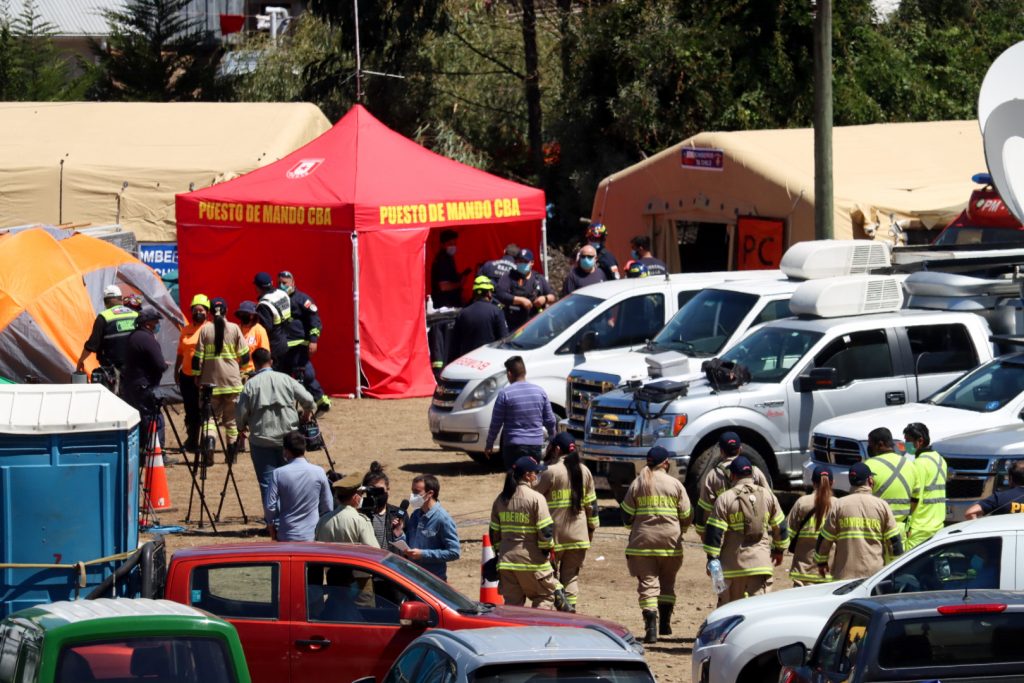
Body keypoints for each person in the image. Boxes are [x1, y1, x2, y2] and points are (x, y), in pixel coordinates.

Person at [621, 446, 692, 643]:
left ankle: (650, 628)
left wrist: (633, 528)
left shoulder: (638, 483)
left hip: (642, 543)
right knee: (668, 582)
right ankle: (665, 625)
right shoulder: (675, 484)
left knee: (648, 584)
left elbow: (626, 514)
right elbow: (686, 514)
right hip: (670, 542)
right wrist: (681, 530)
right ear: (666, 463)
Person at [236, 348, 316, 508]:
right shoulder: (286, 379)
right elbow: (309, 399)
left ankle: (273, 523)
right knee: (292, 480)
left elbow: (240, 412)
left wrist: (241, 427)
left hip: (261, 440)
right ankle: (291, 517)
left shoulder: (250, 385)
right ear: (271, 361)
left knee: (267, 483)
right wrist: (307, 413)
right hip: (288, 439)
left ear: (255, 364)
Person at [703, 456, 787, 606]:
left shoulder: (725, 499)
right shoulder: (768, 496)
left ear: (733, 475)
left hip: (732, 567)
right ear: (752, 475)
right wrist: (779, 550)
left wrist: (712, 560)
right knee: (757, 613)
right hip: (760, 565)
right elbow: (780, 527)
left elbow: (714, 533)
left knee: (730, 612)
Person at [534, 433, 599, 612]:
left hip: (555, 537)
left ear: (556, 449)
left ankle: (561, 602)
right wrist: (591, 530)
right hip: (579, 536)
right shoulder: (584, 471)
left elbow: (533, 497)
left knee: (549, 574)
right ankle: (571, 612)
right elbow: (592, 505)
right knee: (571, 577)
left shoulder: (550, 472)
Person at [814, 462, 903, 580]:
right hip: (874, 577)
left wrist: (821, 562)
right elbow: (894, 541)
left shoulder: (839, 505)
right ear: (870, 480)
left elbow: (824, 539)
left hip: (844, 576)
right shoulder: (882, 506)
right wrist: (896, 567)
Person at [490, 456, 558, 608]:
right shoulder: (536, 498)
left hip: (507, 564)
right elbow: (545, 531)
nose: (537, 476)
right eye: (535, 473)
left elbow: (494, 532)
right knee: (544, 598)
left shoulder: (501, 499)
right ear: (527, 475)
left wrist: (500, 551)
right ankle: (537, 632)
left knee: (513, 608)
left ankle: (513, 632)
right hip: (532, 563)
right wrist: (546, 552)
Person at [192, 297, 249, 465]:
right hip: (232, 382)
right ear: (226, 310)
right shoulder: (235, 328)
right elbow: (245, 357)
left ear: (209, 312)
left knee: (210, 419)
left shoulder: (204, 330)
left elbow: (197, 359)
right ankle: (231, 454)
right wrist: (238, 368)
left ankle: (209, 447)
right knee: (231, 420)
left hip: (210, 383)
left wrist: (197, 376)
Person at [695, 432, 771, 539]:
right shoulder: (755, 472)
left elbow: (704, 507)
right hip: (755, 533)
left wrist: (702, 532)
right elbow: (770, 499)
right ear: (740, 449)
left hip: (727, 536)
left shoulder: (713, 475)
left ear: (721, 451)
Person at [485, 356, 557, 468]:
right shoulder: (540, 392)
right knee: (532, 480)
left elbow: (496, 423)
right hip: (535, 446)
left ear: (509, 374)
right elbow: (550, 420)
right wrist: (553, 438)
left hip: (513, 447)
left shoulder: (505, 394)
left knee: (514, 480)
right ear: (524, 372)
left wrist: (489, 444)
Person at [265, 431, 333, 541]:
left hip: (287, 534)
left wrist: (271, 526)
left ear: (286, 451)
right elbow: (327, 506)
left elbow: (270, 506)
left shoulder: (278, 473)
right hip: (313, 534)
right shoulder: (319, 472)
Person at [278, 270, 330, 414]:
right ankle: (285, 410)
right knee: (281, 378)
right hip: (282, 347)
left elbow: (315, 320)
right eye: (279, 283)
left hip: (299, 346)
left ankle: (321, 402)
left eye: (285, 283)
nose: (282, 286)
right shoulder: (276, 299)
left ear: (293, 283)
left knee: (306, 375)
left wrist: (313, 340)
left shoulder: (303, 299)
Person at [400, 474, 461, 580]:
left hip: (432, 582)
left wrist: (423, 554)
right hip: (412, 578)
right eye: (412, 491)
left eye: (416, 492)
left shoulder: (442, 518)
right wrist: (398, 532)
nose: (412, 496)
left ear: (430, 493)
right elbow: (409, 545)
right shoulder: (415, 515)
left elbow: (454, 552)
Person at [76, 284, 139, 386]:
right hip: (135, 368)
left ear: (106, 302)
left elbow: (92, 344)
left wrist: (81, 360)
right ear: (121, 299)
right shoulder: (135, 315)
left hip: (112, 371)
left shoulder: (104, 317)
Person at [121, 309, 168, 435]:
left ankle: (143, 451)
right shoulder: (146, 339)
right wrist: (165, 366)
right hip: (145, 388)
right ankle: (156, 453)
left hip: (132, 385)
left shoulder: (133, 336)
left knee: (139, 420)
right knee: (154, 420)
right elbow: (160, 364)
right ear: (147, 324)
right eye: (156, 322)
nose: (158, 324)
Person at [786, 466, 835, 586]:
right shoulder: (838, 505)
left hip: (803, 572)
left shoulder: (802, 502)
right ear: (832, 483)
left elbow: (788, 533)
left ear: (813, 483)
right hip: (828, 573)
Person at [175, 294, 211, 452]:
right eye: (195, 310)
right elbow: (180, 352)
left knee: (204, 410)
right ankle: (191, 440)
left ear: (207, 312)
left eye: (201, 310)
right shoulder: (186, 329)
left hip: (203, 377)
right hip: (186, 376)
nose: (198, 312)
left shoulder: (210, 329)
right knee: (190, 410)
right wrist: (177, 370)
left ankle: (206, 441)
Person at [864, 427, 918, 531]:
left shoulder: (869, 465)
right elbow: (915, 499)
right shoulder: (910, 465)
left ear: (880, 444)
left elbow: (862, 499)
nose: (869, 448)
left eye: (870, 444)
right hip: (900, 528)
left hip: (878, 528)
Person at [903, 422, 947, 549]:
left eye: (908, 441)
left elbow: (915, 497)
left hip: (919, 527)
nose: (906, 445)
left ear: (920, 441)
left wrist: (907, 524)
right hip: (937, 524)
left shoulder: (919, 464)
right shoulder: (940, 460)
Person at [446, 276, 509, 364]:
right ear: (489, 293)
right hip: (489, 362)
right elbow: (504, 339)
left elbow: (455, 344)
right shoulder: (497, 312)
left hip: (467, 362)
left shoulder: (462, 313)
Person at [494, 248, 555, 331]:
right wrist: (520, 300)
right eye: (520, 261)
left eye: (525, 262)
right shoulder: (510, 276)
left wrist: (545, 298)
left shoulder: (538, 278)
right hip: (512, 324)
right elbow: (500, 293)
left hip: (534, 324)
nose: (522, 264)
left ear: (532, 263)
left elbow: (552, 296)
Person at [315, 474, 378, 546]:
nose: (361, 497)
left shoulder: (323, 520)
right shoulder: (360, 521)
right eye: (361, 493)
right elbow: (374, 551)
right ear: (355, 497)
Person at [361, 461, 402, 551]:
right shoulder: (359, 515)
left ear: (388, 490)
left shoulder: (398, 514)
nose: (376, 493)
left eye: (379, 490)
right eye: (373, 489)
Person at [253, 272, 292, 365]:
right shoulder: (283, 294)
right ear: (272, 282)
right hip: (286, 341)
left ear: (257, 287)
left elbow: (265, 329)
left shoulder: (264, 304)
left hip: (274, 347)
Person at [431, 229, 469, 309]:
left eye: (454, 244)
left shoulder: (448, 258)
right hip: (445, 305)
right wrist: (460, 284)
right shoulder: (443, 260)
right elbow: (444, 286)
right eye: (450, 244)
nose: (453, 246)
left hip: (449, 303)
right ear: (442, 244)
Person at [235, 301, 269, 376]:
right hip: (236, 371)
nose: (243, 315)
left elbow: (265, 354)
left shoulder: (259, 330)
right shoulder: (236, 329)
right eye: (242, 313)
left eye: (246, 313)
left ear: (253, 315)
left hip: (253, 372)